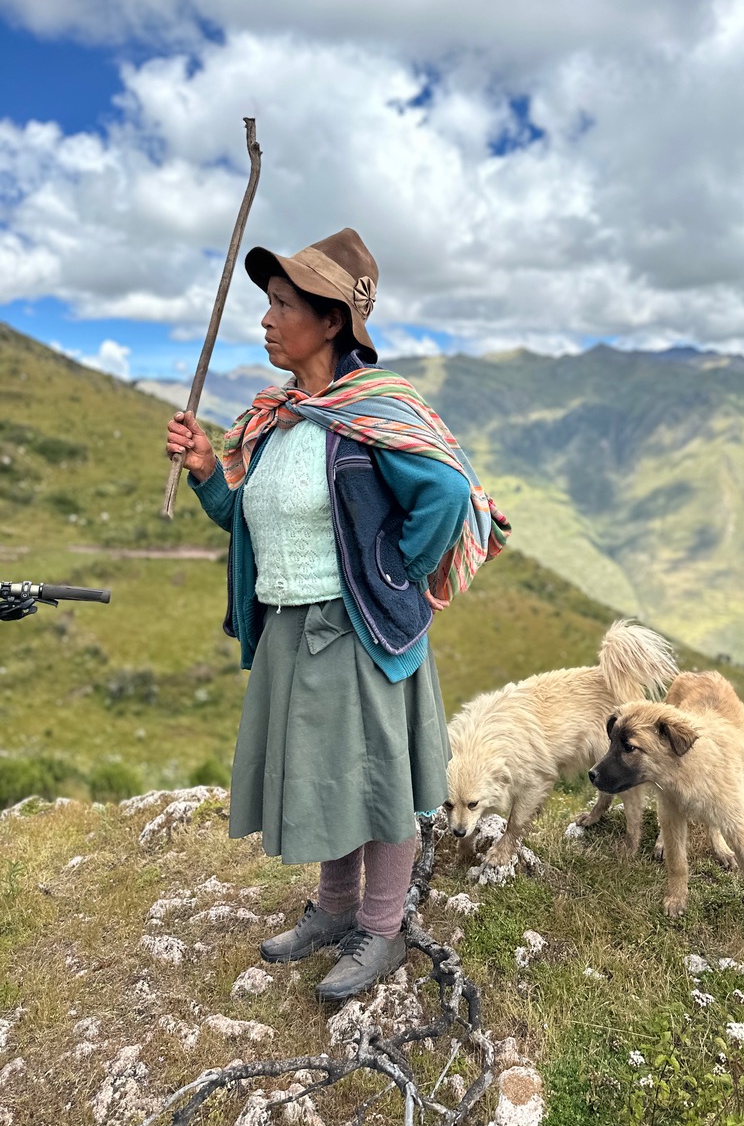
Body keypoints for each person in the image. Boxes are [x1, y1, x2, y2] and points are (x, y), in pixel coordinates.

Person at [165, 228, 509, 1001]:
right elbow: (255, 520)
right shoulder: (281, 418)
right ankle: (334, 908)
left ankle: (382, 930)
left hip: (359, 630)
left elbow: (449, 496)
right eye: (266, 303)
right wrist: (205, 478)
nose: (266, 319)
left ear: (330, 322)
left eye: (282, 304)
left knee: (378, 780)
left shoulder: (375, 412)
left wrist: (393, 577)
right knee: (332, 776)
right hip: (292, 630)